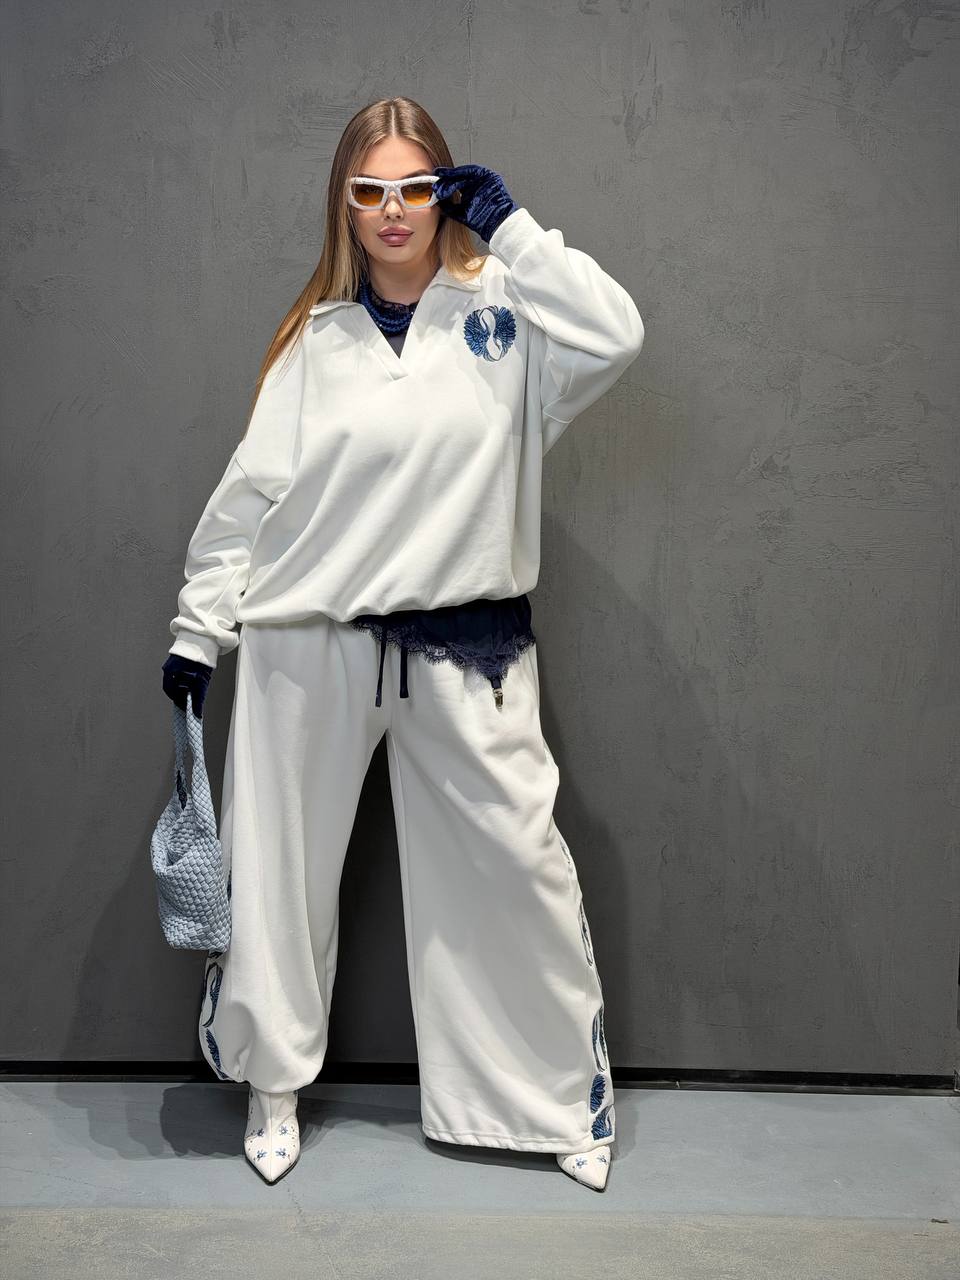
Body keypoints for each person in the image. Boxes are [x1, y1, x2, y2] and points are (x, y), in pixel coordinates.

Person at [162, 96, 644, 1192]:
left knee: (515, 865)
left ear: (445, 193)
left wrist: (513, 230)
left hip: (468, 644)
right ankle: (272, 1083)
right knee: (277, 870)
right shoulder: (316, 342)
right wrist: (199, 628)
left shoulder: (508, 314)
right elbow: (250, 496)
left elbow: (618, 333)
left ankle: (549, 1099)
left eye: (414, 188)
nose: (392, 210)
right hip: (307, 640)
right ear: (344, 202)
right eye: (369, 190)